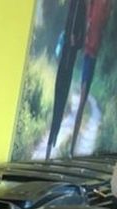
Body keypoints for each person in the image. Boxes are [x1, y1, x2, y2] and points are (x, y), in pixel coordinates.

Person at [46, 0, 88, 160]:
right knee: (57, 99)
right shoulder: (72, 4)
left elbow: (81, 40)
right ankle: (51, 140)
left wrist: (74, 41)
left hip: (69, 62)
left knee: (62, 100)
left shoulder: (82, 6)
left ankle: (54, 138)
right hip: (63, 57)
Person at [70, 0, 110, 155]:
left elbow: (98, 21)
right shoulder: (101, 4)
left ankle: (72, 147)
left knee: (82, 100)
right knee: (81, 100)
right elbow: (93, 19)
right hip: (88, 51)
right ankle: (72, 147)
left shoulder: (104, 4)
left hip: (90, 53)